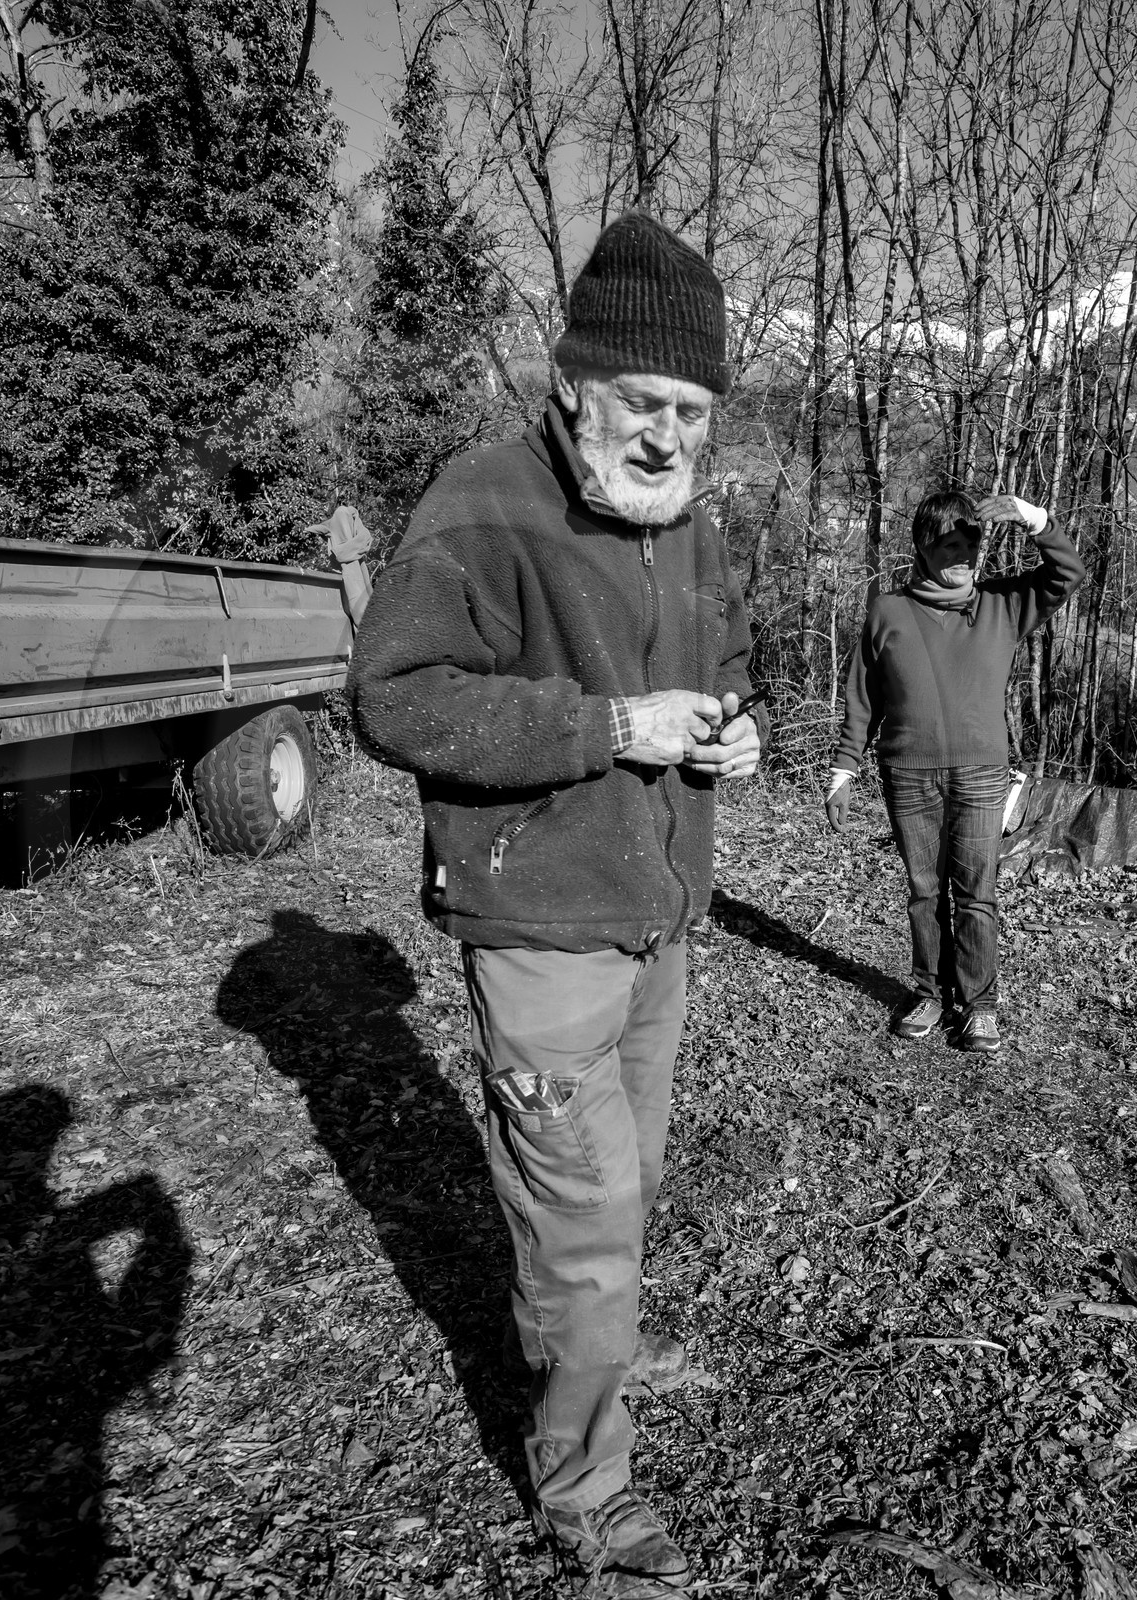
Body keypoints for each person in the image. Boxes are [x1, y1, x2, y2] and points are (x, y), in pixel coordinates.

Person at [349, 211, 766, 1590]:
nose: (667, 436)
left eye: (694, 412)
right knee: (583, 1232)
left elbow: (698, 682)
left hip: (654, 918)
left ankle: (605, 1373)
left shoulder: (683, 524)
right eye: (643, 402)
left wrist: (724, 736)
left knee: (623, 1194)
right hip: (539, 927)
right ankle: (586, 1487)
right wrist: (610, 726)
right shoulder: (483, 500)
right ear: (574, 381)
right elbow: (395, 698)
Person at [825, 490, 1084, 1053]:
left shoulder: (1003, 605)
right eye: (951, 544)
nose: (964, 554)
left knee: (977, 894)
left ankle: (979, 1006)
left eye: (971, 543)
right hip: (908, 775)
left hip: (981, 776)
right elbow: (862, 699)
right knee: (924, 891)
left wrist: (1033, 519)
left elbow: (1067, 573)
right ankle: (929, 992)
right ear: (923, 546)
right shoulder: (887, 610)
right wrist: (845, 769)